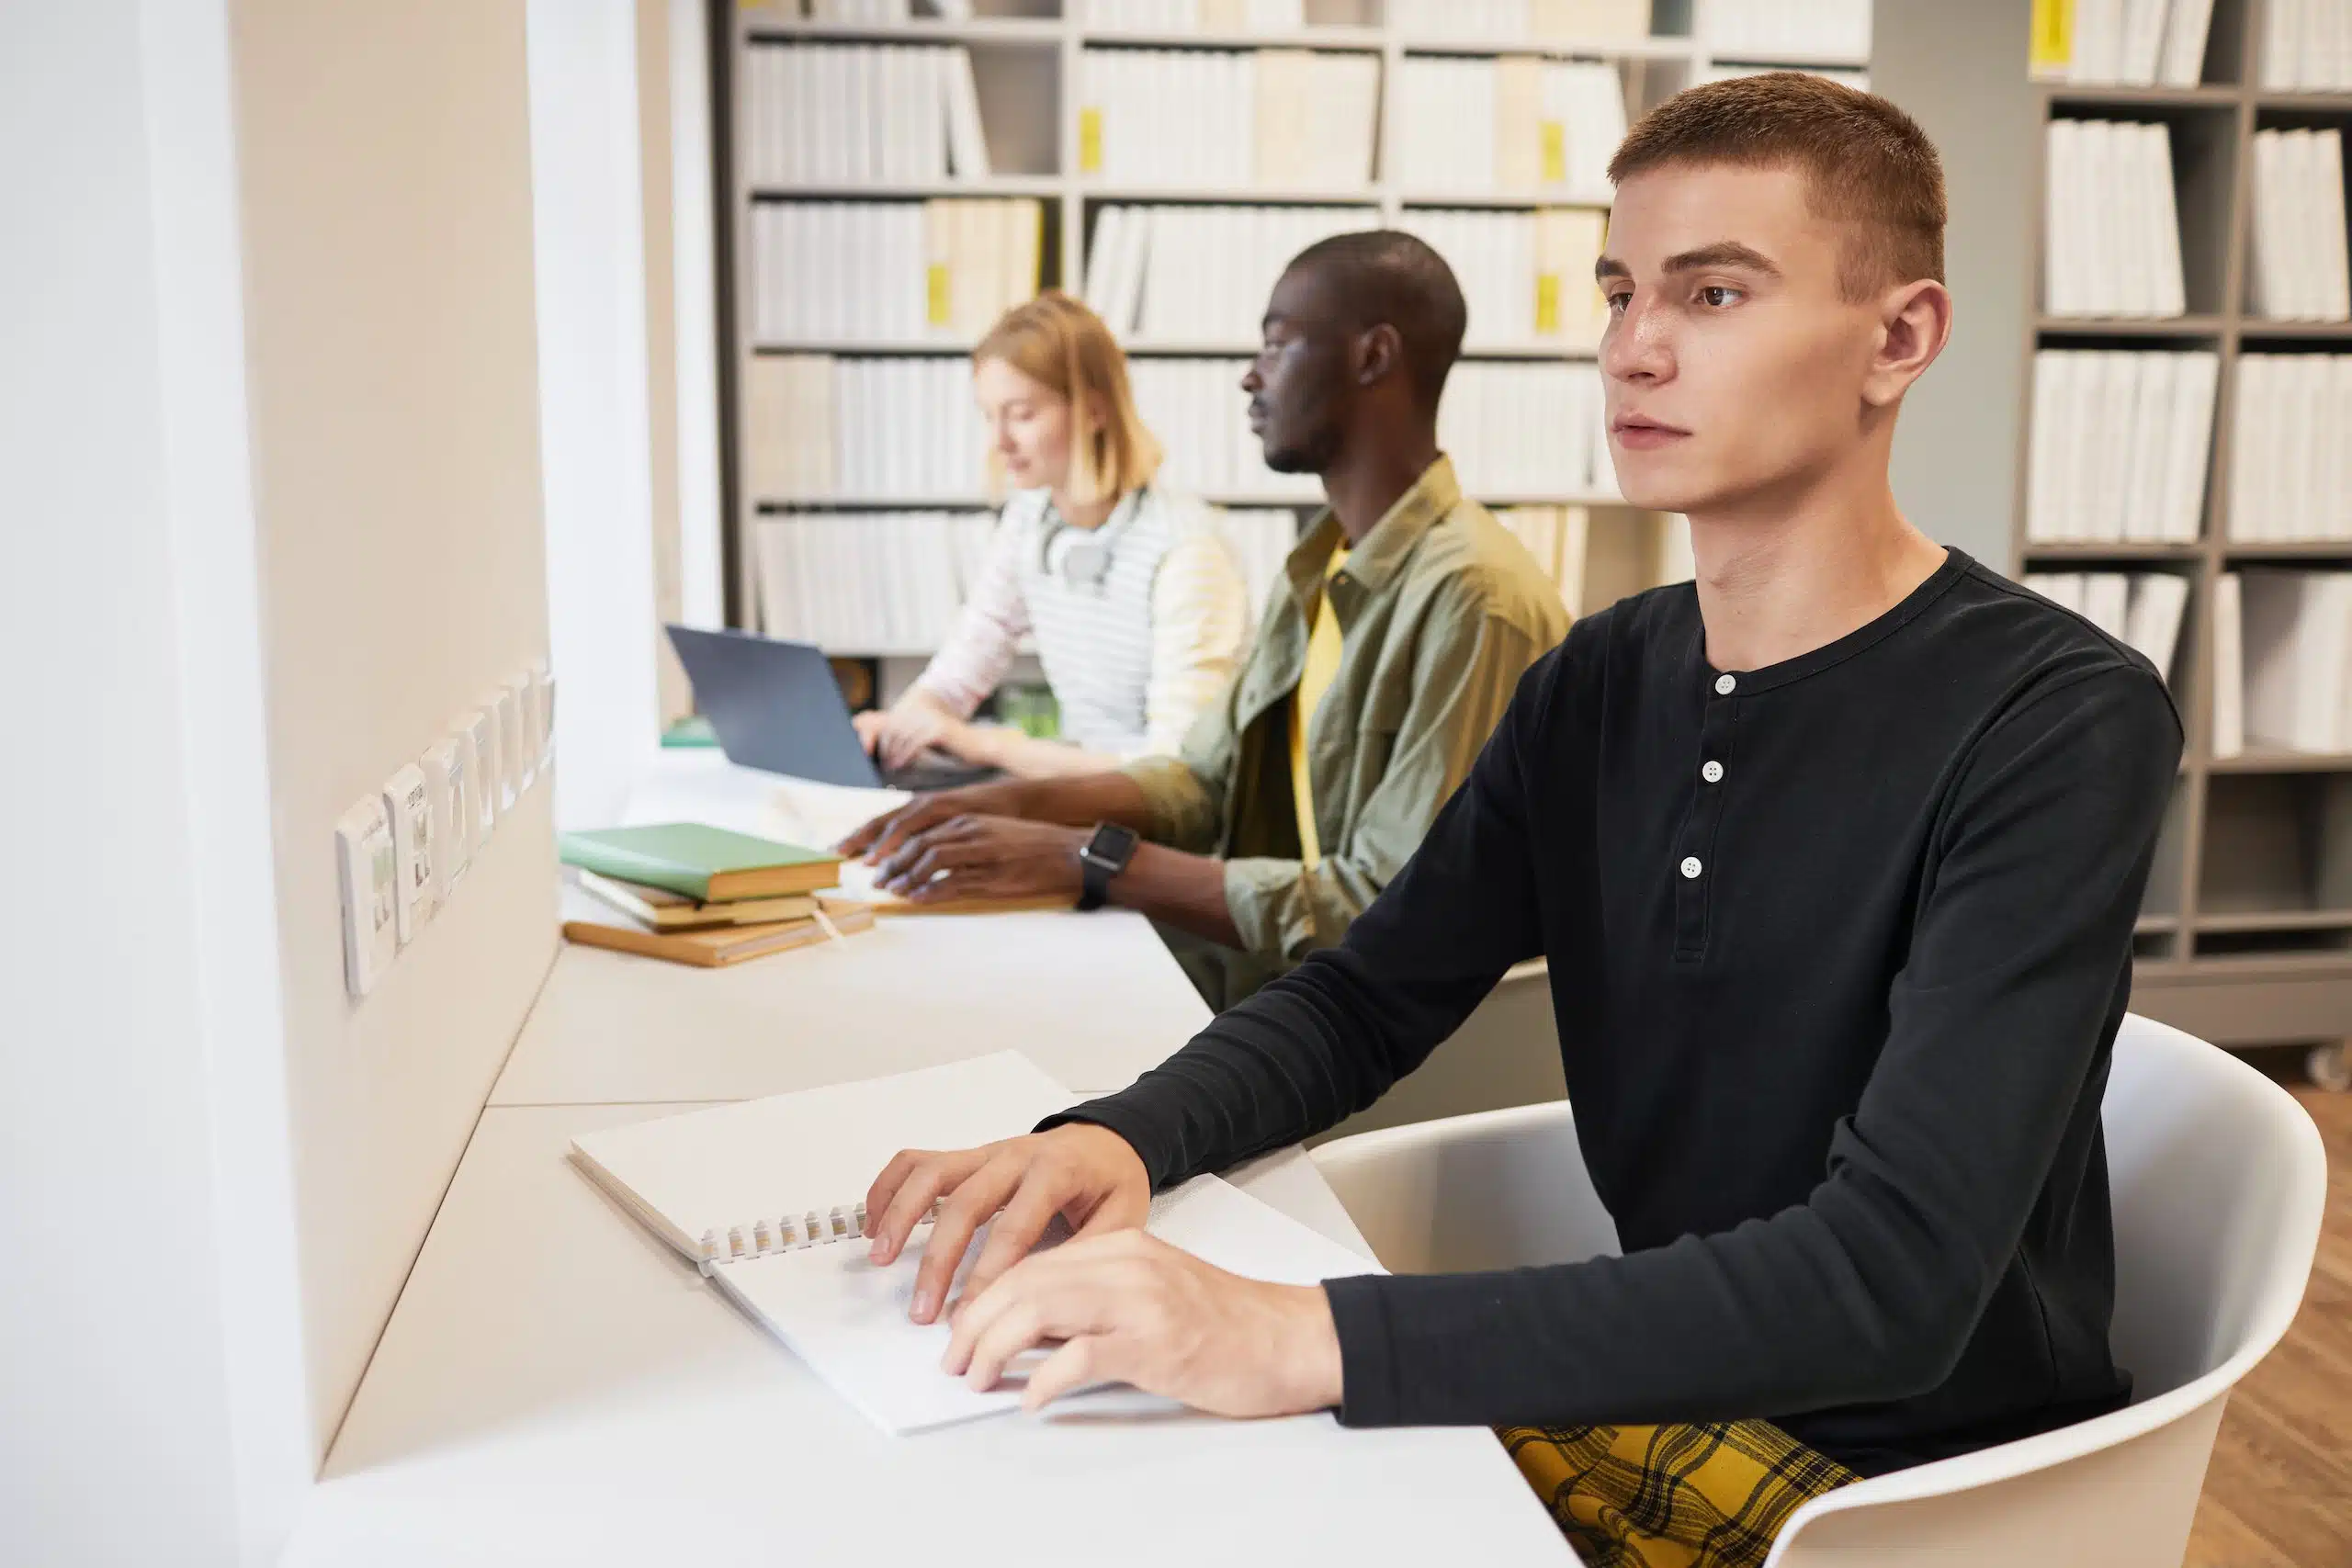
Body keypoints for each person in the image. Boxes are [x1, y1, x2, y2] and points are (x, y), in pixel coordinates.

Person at [856, 73, 2183, 1568]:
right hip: (1670, 1398)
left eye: (1716, 292)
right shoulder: (1604, 677)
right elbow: (1369, 994)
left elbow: (1890, 1279)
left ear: (1901, 338)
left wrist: (1299, 1336)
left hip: (1908, 1491)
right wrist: (1116, 1138)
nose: (1636, 348)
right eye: (1621, 291)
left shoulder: (2058, 716)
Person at [842, 232, 1573, 1007]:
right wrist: (998, 805)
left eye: (1278, 344)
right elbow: (1201, 780)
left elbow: (1386, 906)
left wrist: (1086, 859)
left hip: (1377, 1028)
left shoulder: (1476, 598)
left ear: (1373, 357)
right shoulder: (1322, 567)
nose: (1250, 377)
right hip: (1289, 982)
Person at [854, 291, 1250, 778]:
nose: (999, 443)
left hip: (1165, 817)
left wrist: (990, 746)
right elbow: (970, 653)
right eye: (989, 415)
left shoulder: (1186, 549)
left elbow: (1175, 773)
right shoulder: (1031, 518)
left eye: (1021, 414)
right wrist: (904, 724)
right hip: (1092, 799)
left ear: (1095, 411)